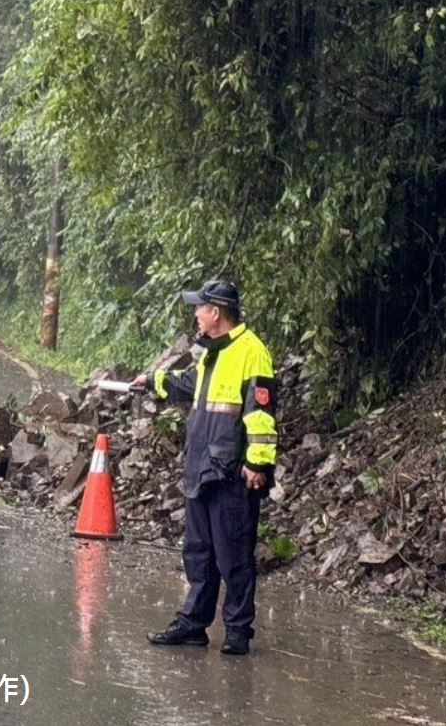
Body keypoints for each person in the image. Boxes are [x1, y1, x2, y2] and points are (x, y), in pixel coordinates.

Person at [133, 279, 277, 656]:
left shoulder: (252, 352)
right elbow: (189, 385)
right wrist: (152, 382)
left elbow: (260, 413)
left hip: (231, 472)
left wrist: (257, 463)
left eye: (199, 307)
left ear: (215, 312)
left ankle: (238, 630)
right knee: (198, 551)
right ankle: (194, 623)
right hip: (200, 465)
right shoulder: (212, 352)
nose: (195, 314)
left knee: (234, 554)